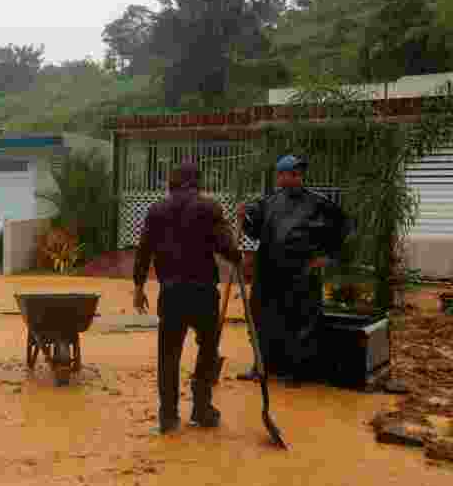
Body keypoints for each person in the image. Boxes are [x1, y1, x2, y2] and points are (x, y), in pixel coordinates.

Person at [133, 161, 242, 434]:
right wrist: (237, 255)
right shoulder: (210, 208)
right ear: (197, 182)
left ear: (172, 182)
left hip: (171, 294)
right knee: (207, 349)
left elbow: (144, 251)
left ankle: (168, 417)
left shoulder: (157, 210)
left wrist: (138, 286)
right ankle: (202, 409)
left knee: (168, 356)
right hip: (203, 293)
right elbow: (226, 248)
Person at [238, 154, 351, 384]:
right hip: (268, 271)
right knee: (261, 318)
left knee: (299, 321)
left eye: (299, 173)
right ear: (280, 176)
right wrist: (244, 219)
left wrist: (328, 257)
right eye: (291, 173)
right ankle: (262, 366)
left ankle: (295, 372)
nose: (296, 176)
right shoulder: (268, 202)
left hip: (300, 271)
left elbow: (344, 229)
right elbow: (254, 231)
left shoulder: (318, 203)